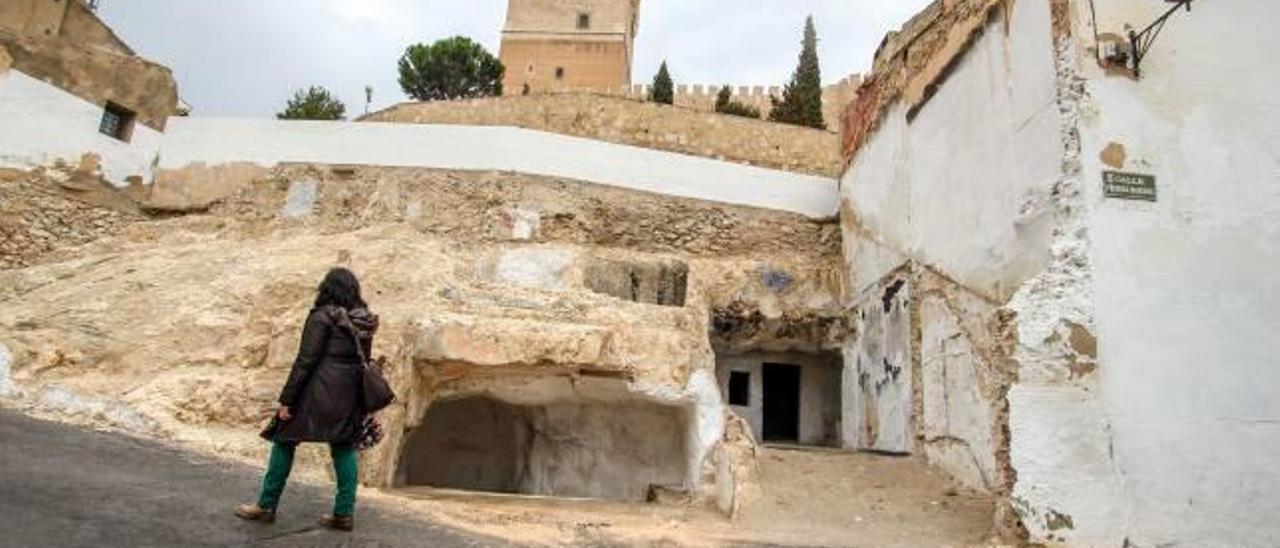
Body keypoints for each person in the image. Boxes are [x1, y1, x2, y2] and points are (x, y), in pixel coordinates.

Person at [235, 267, 379, 532]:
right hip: (349, 395)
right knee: (344, 448)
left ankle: (266, 506)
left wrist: (287, 400)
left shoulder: (322, 316)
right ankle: (343, 514)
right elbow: (362, 361)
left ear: (327, 289)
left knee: (283, 439)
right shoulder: (365, 321)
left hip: (316, 392)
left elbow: (306, 361)